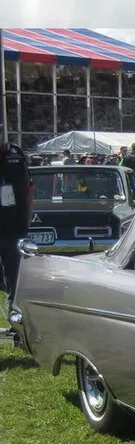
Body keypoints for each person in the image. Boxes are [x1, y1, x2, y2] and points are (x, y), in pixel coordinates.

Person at [1, 122, 33, 326]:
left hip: (14, 227)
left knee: (15, 278)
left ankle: (15, 322)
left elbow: (28, 190)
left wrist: (27, 221)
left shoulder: (16, 155)